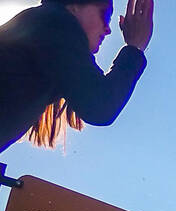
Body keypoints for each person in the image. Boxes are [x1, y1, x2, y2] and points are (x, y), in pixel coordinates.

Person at [0, 0, 154, 154]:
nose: (108, 29)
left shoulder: (42, 28)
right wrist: (134, 48)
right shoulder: (56, 23)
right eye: (104, 15)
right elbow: (100, 105)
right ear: (73, 7)